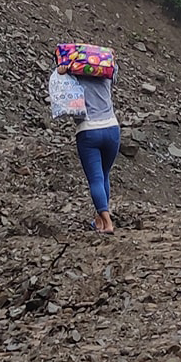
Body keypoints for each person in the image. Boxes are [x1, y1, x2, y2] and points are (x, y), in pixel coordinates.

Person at [60, 59, 120, 234]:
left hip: (88, 131)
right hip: (112, 128)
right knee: (104, 175)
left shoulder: (74, 75)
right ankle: (99, 221)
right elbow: (114, 69)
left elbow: (62, 93)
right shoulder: (106, 72)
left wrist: (63, 73)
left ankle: (108, 223)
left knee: (95, 179)